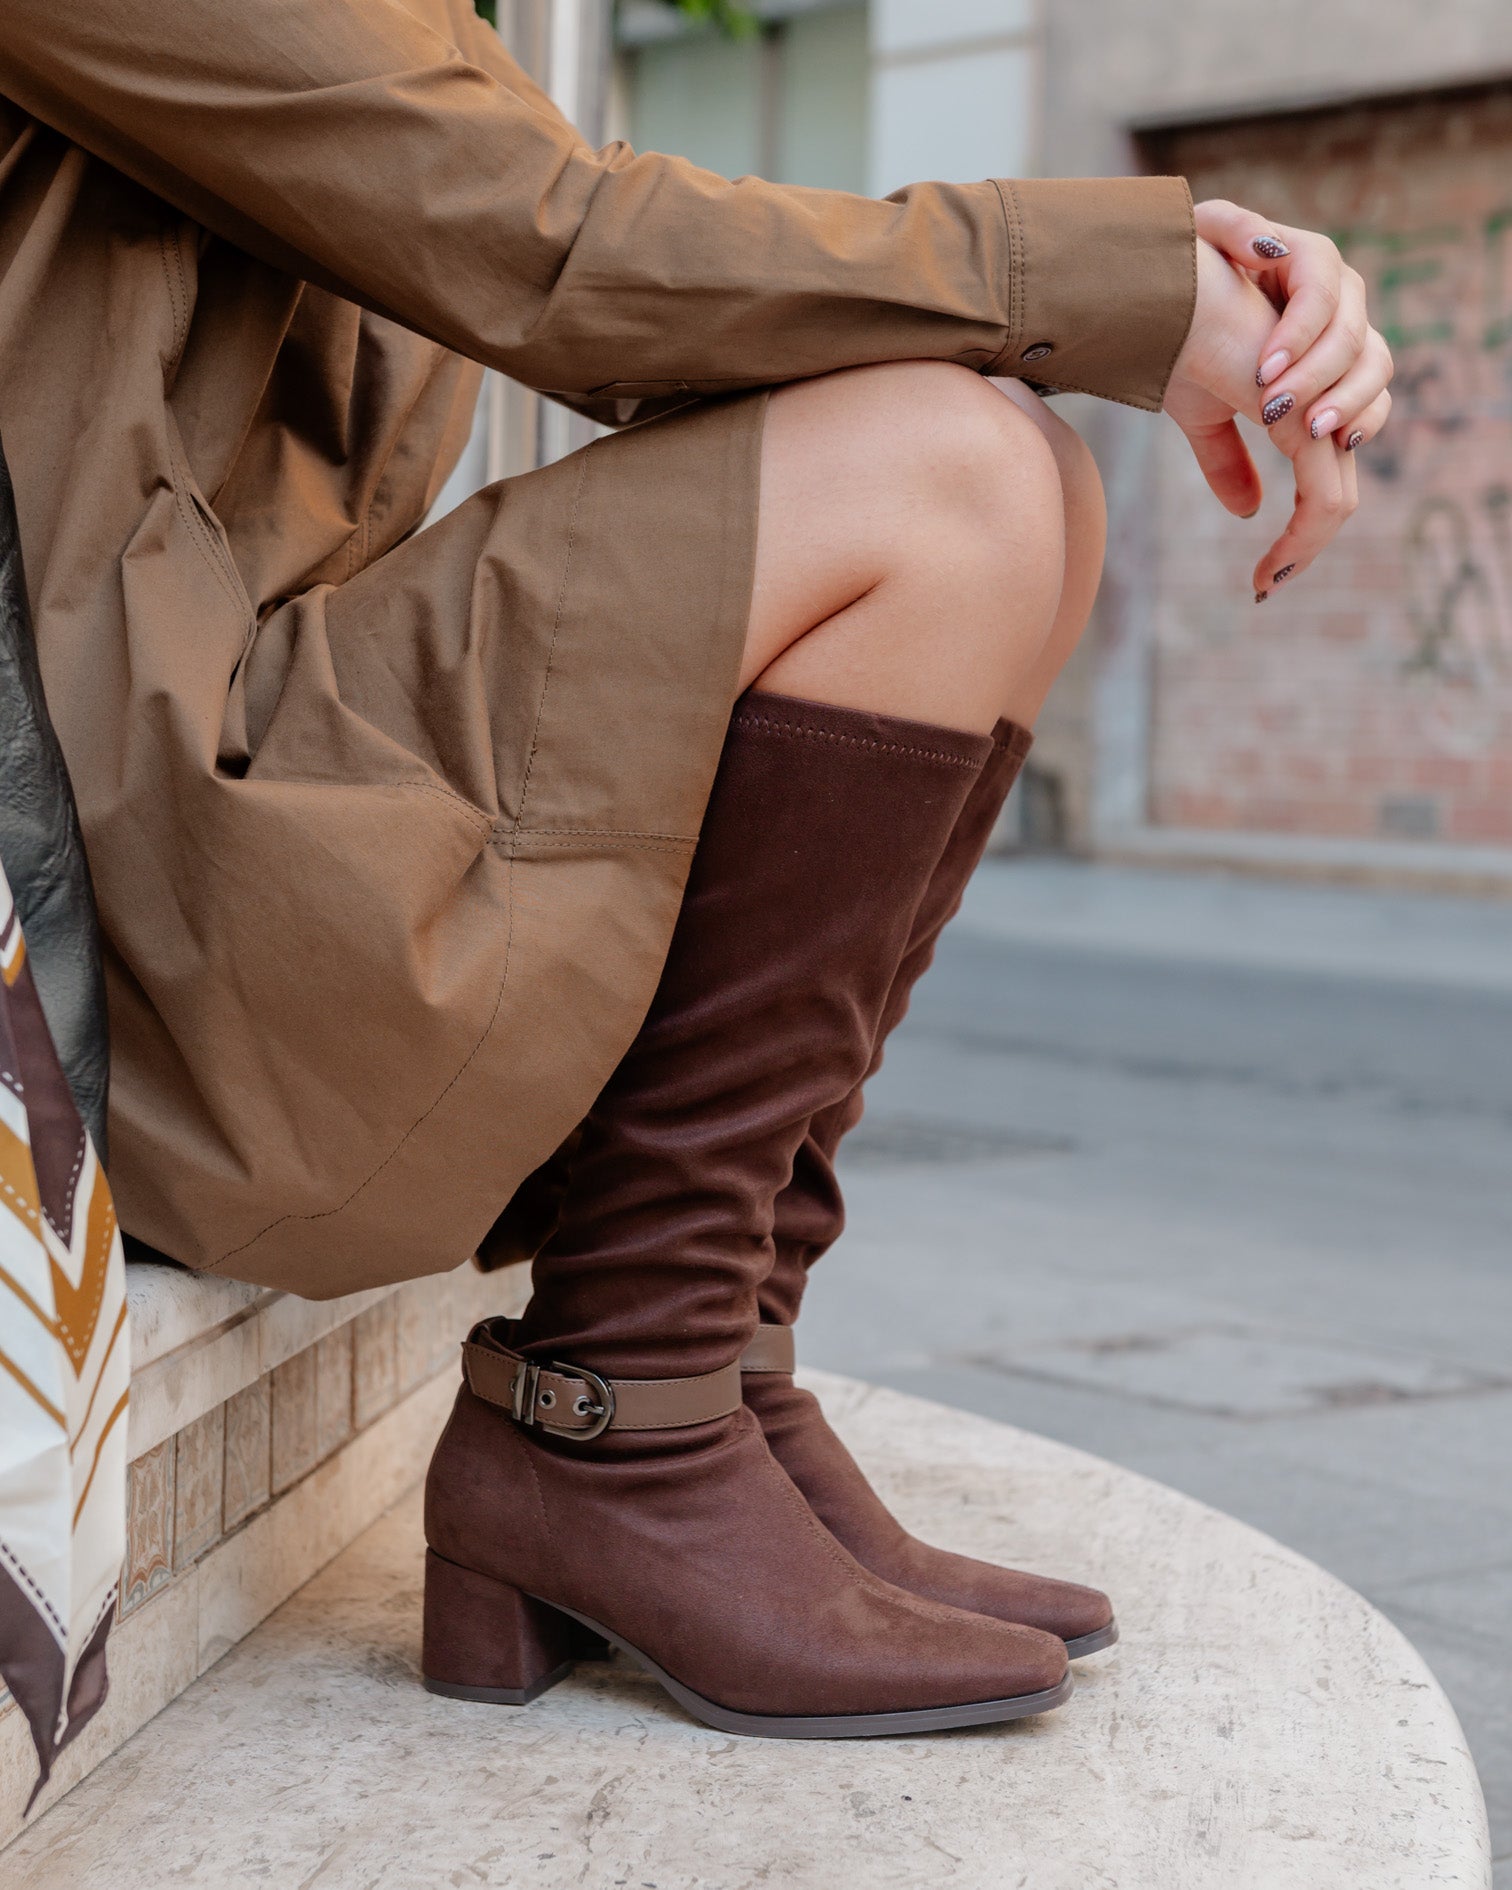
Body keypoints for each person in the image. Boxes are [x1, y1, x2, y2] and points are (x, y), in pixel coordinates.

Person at [0, 0, 1391, 1737]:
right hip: (127, 914)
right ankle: (614, 1409)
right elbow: (559, 252)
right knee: (955, 479)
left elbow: (591, 236)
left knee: (1027, 484)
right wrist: (1119, 286)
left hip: (218, 796)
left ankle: (703, 1357)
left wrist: (1145, 282)